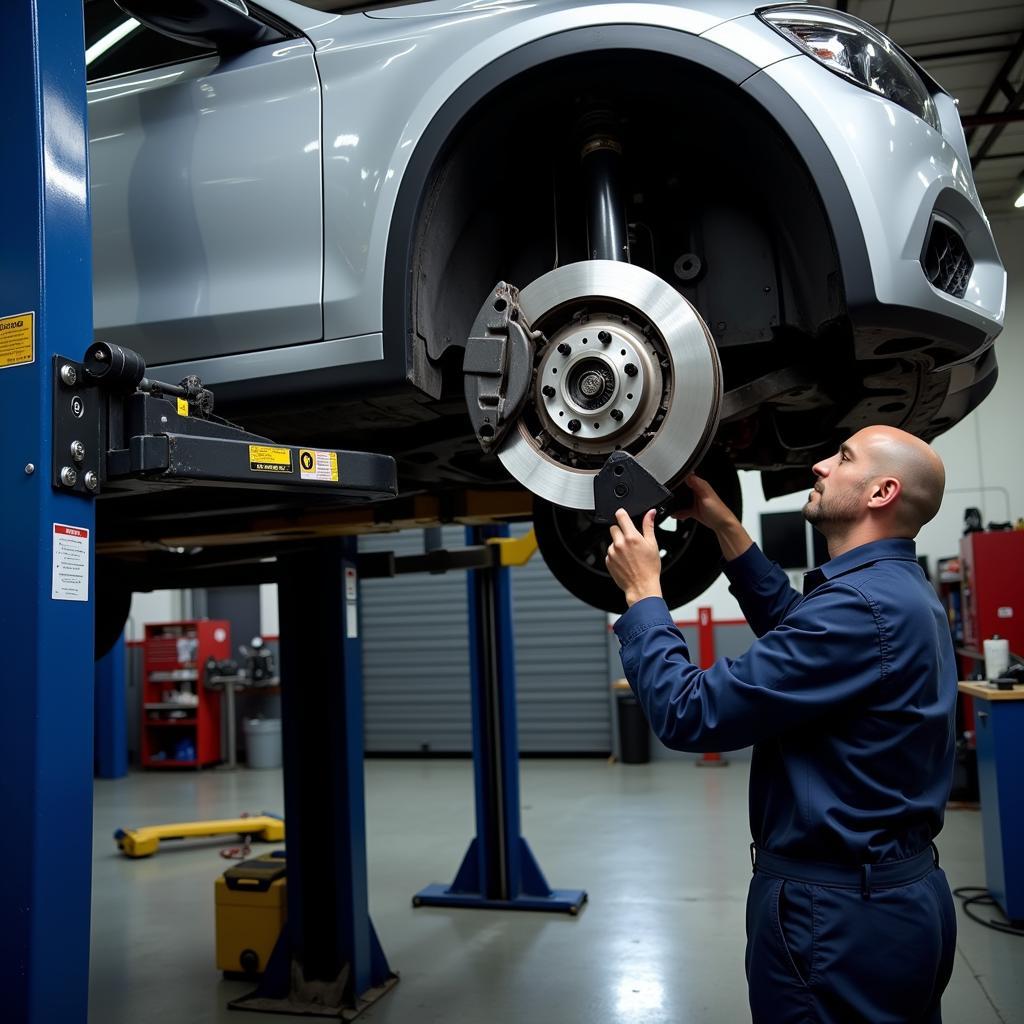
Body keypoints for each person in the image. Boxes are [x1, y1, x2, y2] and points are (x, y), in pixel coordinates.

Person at [605, 425, 958, 1024]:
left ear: (881, 493)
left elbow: (688, 713)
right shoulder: (895, 592)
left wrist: (643, 596)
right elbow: (801, 630)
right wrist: (725, 527)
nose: (819, 465)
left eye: (842, 457)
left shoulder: (859, 609)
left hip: (836, 919)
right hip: (893, 902)